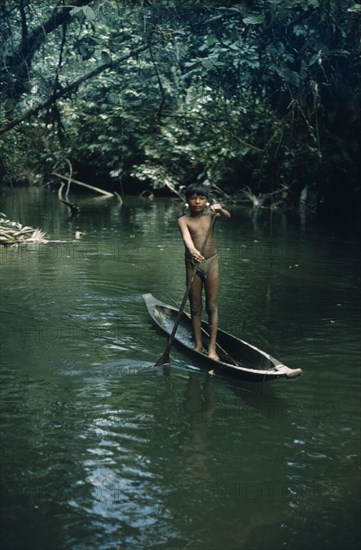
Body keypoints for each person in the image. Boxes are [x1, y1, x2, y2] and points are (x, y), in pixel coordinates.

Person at [178, 183, 231, 361]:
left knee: (212, 306)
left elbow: (227, 216)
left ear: (207, 201)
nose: (197, 201)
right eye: (193, 198)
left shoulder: (212, 216)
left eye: (201, 198)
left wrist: (220, 209)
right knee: (195, 307)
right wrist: (193, 250)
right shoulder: (183, 220)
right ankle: (199, 344)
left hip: (211, 262)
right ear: (187, 201)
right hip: (192, 264)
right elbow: (187, 237)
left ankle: (212, 349)